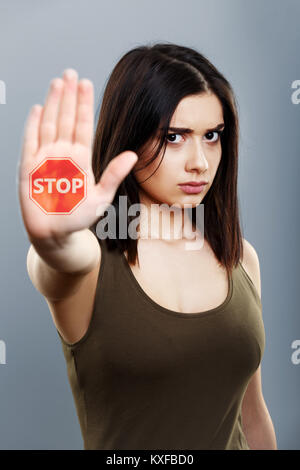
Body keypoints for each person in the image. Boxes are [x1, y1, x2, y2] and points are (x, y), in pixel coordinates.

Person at [17, 42, 277, 450]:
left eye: (212, 136)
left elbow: (253, 416)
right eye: (174, 137)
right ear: (129, 135)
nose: (200, 162)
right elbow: (59, 263)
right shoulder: (90, 262)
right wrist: (56, 240)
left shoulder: (241, 258)